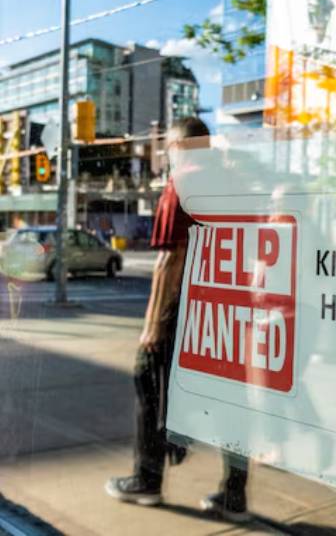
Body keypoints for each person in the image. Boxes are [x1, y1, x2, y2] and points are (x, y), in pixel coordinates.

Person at [105, 118, 251, 522]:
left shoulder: (183, 181)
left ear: (181, 146)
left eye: (168, 147)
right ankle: (234, 495)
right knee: (230, 404)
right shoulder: (233, 183)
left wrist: (152, 325)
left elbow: (170, 260)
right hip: (230, 310)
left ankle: (146, 479)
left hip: (186, 311)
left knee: (146, 377)